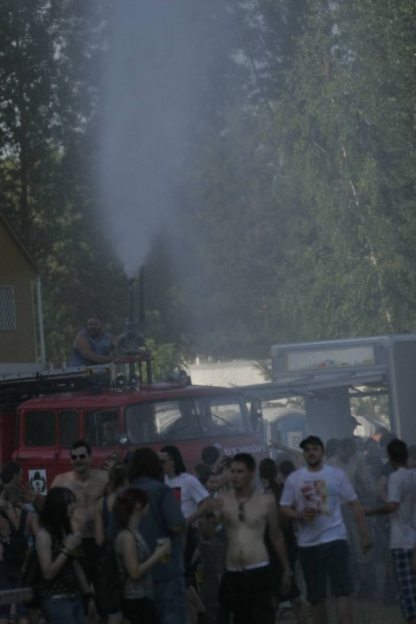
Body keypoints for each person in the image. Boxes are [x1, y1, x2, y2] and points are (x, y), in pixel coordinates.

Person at [280, 435, 372, 624]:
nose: (311, 453)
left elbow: (354, 503)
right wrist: (298, 515)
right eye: (307, 450)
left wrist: (364, 534)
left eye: (315, 449)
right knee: (316, 595)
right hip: (308, 543)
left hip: (335, 538)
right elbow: (284, 507)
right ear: (304, 454)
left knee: (342, 590)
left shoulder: (336, 474)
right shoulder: (294, 478)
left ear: (322, 452)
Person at [214, 452, 292, 624]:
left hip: (259, 570)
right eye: (232, 472)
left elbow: (277, 536)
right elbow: (207, 532)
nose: (235, 476)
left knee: (263, 617)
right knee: (240, 619)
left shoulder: (266, 501)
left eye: (240, 471)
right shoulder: (223, 501)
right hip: (234, 572)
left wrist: (286, 570)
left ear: (252, 473)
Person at [127, 447, 188, 624]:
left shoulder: (123, 495)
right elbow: (177, 525)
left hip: (134, 579)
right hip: (166, 572)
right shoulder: (161, 491)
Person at [365, 438, 416, 623]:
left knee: (407, 586)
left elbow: (392, 505)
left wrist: (371, 511)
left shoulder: (396, 477)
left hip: (402, 540)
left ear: (390, 457)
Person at [51, 441, 108, 587]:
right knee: (80, 589)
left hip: (99, 541)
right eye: (74, 457)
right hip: (76, 542)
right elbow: (49, 510)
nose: (78, 460)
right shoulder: (61, 481)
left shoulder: (104, 478)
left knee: (103, 590)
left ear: (90, 457)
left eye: (82, 456)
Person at [113, 487, 171, 624]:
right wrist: (159, 554)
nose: (149, 506)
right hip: (134, 599)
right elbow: (134, 572)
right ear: (138, 506)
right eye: (146, 503)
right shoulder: (127, 536)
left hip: (143, 597)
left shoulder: (134, 532)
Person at [36, 487, 92, 624]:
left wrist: (88, 595)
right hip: (56, 599)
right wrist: (66, 550)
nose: (74, 506)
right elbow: (48, 573)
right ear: (57, 505)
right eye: (69, 502)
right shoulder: (44, 534)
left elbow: (76, 564)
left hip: (76, 596)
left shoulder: (67, 531)